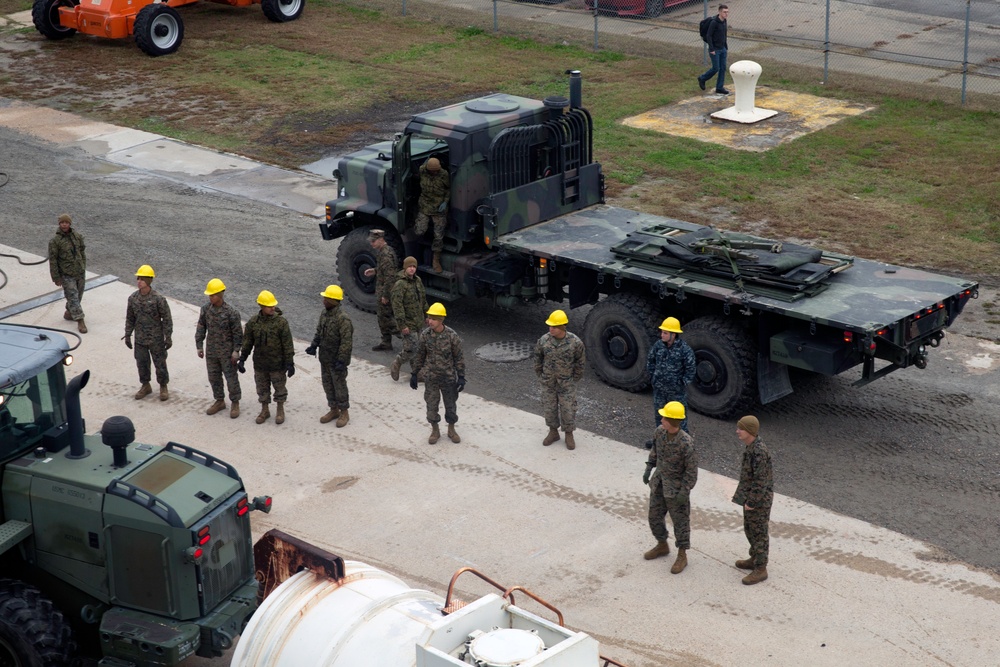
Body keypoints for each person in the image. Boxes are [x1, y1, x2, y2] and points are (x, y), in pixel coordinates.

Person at [643, 401, 698, 574]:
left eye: (664, 417)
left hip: (676, 490)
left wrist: (684, 491)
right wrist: (648, 468)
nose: (661, 419)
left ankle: (682, 555)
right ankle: (662, 544)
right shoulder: (659, 432)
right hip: (659, 484)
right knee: (654, 516)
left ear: (673, 421)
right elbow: (655, 452)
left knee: (681, 523)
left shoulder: (686, 443)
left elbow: (691, 472)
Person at [410, 303, 465, 444]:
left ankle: (451, 429)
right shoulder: (425, 335)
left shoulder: (452, 336)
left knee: (451, 406)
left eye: (433, 318)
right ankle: (435, 430)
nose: (429, 321)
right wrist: (414, 373)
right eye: (429, 318)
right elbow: (420, 355)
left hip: (448, 378)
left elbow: (459, 357)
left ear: (441, 320)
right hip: (431, 378)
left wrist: (461, 376)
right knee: (431, 406)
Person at [532, 309, 586, 450]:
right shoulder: (544, 341)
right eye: (550, 326)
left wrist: (573, 379)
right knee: (549, 408)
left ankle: (569, 434)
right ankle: (553, 432)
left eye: (554, 326)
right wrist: (542, 375)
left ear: (562, 327)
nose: (551, 329)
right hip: (548, 382)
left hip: (566, 383)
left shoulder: (575, 342)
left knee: (568, 409)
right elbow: (538, 359)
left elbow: (580, 363)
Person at [239, 290, 294, 425]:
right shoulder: (253, 322)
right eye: (269, 306)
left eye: (273, 305)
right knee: (262, 388)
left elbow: (287, 344)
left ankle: (280, 410)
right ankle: (265, 410)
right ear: (261, 306)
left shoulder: (281, 323)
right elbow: (247, 342)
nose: (273, 308)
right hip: (260, 363)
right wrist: (242, 359)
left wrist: (290, 362)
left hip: (277, 364)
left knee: (279, 388)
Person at [733, 415, 773, 585]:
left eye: (740, 429)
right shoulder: (751, 447)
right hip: (750, 497)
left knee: (759, 532)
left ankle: (761, 568)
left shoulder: (759, 452)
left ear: (750, 431)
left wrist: (752, 502)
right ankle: (755, 558)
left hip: (758, 501)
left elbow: (761, 481)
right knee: (749, 529)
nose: (737, 431)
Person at [305, 285, 353, 428]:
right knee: (328, 385)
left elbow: (346, 342)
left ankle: (344, 412)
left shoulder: (343, 319)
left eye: (326, 298)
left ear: (333, 300)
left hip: (336, 360)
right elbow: (319, 331)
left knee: (339, 386)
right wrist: (314, 345)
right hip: (325, 358)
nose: (323, 300)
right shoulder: (324, 314)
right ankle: (334, 409)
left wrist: (342, 360)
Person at [195, 278, 243, 419]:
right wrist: (199, 345)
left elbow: (238, 333)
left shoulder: (231, 312)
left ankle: (235, 402)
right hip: (211, 351)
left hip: (227, 353)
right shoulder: (205, 309)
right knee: (214, 377)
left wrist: (236, 351)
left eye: (213, 295)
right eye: (209, 295)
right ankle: (219, 400)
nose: (210, 297)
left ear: (220, 295)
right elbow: (201, 328)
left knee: (231, 378)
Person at [124, 265, 173, 401]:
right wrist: (128, 334)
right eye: (138, 278)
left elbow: (167, 318)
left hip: (156, 339)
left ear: (148, 281)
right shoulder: (133, 298)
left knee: (160, 363)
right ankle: (145, 385)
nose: (138, 281)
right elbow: (130, 318)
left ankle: (163, 386)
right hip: (140, 339)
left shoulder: (158, 299)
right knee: (141, 363)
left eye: (142, 278)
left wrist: (168, 337)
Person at [645, 317, 696, 442]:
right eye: (662, 332)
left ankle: (682, 442)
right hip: (659, 389)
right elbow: (650, 361)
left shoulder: (684, 349)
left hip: (676, 391)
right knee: (660, 417)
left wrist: (681, 383)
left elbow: (691, 369)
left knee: (679, 418)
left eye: (665, 333)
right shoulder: (658, 346)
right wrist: (654, 377)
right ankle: (660, 441)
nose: (662, 335)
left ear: (673, 335)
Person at [47, 213, 88, 334]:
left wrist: (83, 266)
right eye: (62, 222)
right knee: (73, 297)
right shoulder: (55, 241)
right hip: (66, 274)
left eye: (66, 222)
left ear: (70, 224)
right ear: (59, 224)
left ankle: (69, 312)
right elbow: (53, 260)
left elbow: (82, 251)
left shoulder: (77, 236)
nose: (64, 224)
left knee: (78, 295)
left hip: (79, 272)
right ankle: (80, 320)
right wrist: (56, 277)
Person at [389, 257, 427, 382]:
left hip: (418, 321)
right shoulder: (400, 284)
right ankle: (397, 362)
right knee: (412, 348)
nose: (412, 269)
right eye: (410, 266)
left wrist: (427, 315)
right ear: (405, 268)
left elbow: (422, 299)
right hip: (407, 323)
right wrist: (402, 325)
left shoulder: (418, 281)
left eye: (414, 267)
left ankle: (416, 373)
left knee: (419, 348)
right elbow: (397, 306)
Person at [363, 229, 399, 351]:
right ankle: (386, 342)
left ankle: (409, 340)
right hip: (381, 291)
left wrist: (386, 295)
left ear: (381, 240)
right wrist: (374, 271)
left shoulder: (387, 255)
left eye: (373, 241)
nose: (371, 244)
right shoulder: (382, 252)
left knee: (387, 320)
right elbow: (384, 270)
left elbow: (390, 277)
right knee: (382, 318)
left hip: (385, 292)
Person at [414, 157, 450, 273]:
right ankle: (421, 248)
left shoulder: (444, 175)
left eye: (436, 170)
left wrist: (445, 201)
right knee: (419, 231)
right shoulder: (422, 171)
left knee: (439, 236)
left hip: (439, 209)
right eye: (433, 171)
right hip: (425, 206)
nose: (435, 172)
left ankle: (436, 259)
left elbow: (449, 189)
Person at [697, 4, 730, 95]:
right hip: (715, 49)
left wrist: (725, 46)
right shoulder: (714, 22)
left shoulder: (724, 21)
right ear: (719, 12)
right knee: (716, 68)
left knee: (723, 68)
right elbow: (709, 35)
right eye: (724, 12)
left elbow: (724, 34)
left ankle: (719, 87)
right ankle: (702, 78)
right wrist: (712, 49)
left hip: (722, 48)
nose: (726, 14)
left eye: (727, 12)